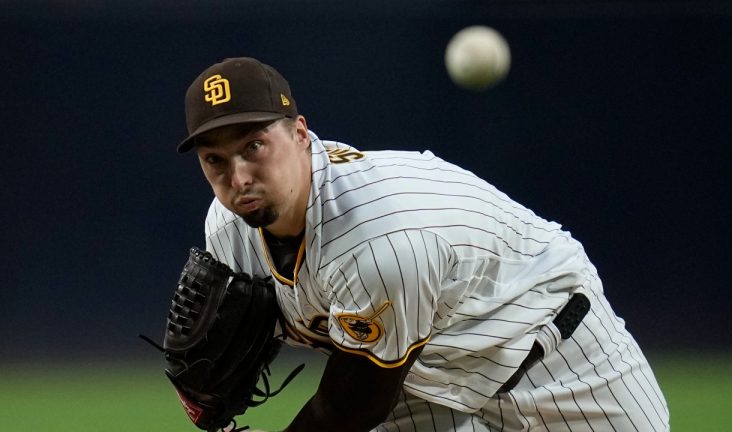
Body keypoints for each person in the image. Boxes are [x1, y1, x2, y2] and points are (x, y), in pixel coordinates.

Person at [177, 57, 669, 432]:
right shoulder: (227, 229)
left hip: (563, 363)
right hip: (426, 377)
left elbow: (353, 404)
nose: (237, 177)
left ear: (301, 134)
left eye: (253, 146)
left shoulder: (380, 239)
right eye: (215, 159)